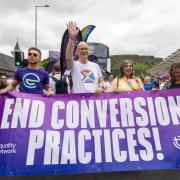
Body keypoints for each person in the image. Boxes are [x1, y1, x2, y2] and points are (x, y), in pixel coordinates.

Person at [65, 21, 104, 94]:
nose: (84, 50)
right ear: (77, 51)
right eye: (81, 49)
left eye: (86, 49)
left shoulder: (95, 66)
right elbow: (68, 58)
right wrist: (71, 39)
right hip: (79, 101)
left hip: (93, 101)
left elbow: (101, 80)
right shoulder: (74, 65)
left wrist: (100, 87)